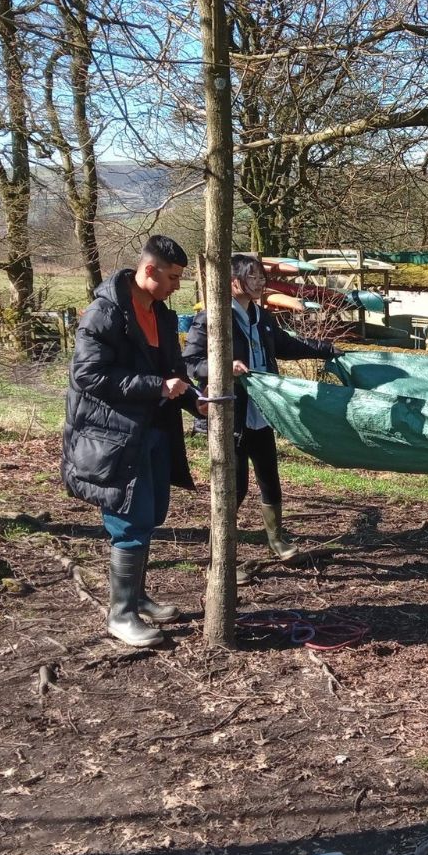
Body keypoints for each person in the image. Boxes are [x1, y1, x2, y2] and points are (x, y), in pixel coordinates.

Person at [62, 235, 203, 648]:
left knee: (151, 513)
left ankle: (138, 596)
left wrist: (197, 403)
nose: (178, 285)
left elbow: (174, 369)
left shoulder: (160, 313)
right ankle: (120, 614)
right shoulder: (104, 313)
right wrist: (157, 386)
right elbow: (87, 376)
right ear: (149, 270)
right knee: (129, 520)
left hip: (154, 432)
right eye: (173, 277)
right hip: (114, 438)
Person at [183, 253, 334, 578]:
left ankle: (277, 541)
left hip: (262, 413)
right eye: (253, 277)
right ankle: (219, 562)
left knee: (270, 479)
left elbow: (286, 345)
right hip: (229, 416)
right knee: (233, 488)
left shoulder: (262, 316)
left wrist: (325, 349)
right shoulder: (213, 319)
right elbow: (191, 362)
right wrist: (224, 367)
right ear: (233, 281)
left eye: (262, 276)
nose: (261, 282)